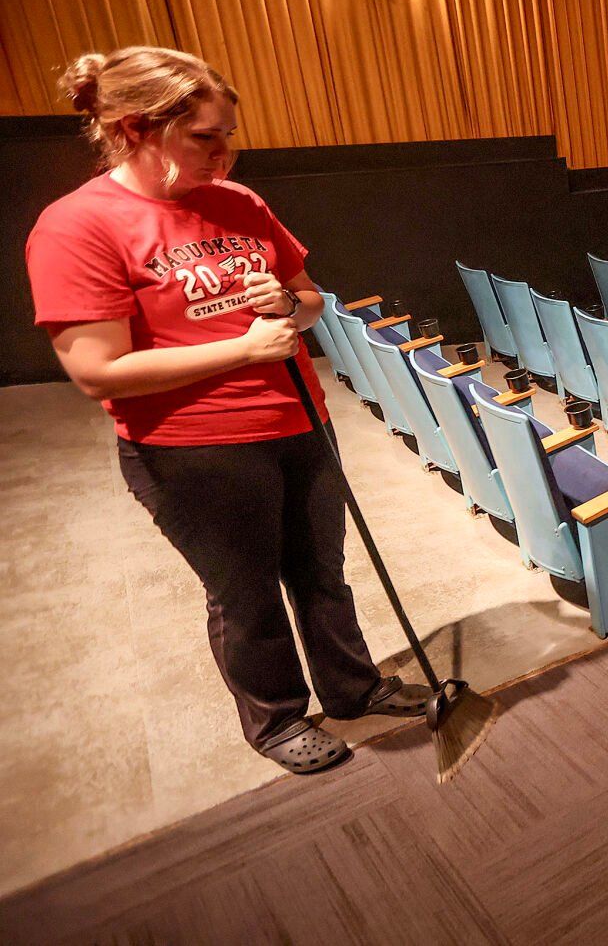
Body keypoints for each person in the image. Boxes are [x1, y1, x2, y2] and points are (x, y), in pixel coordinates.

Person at [25, 46, 429, 775]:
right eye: (204, 137)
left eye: (228, 134)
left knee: (322, 573)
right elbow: (96, 370)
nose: (225, 152)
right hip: (191, 447)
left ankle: (353, 685)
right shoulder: (78, 225)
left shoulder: (240, 204)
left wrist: (288, 307)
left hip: (298, 421)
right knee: (246, 593)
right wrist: (243, 352)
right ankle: (276, 720)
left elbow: (309, 300)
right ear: (132, 128)